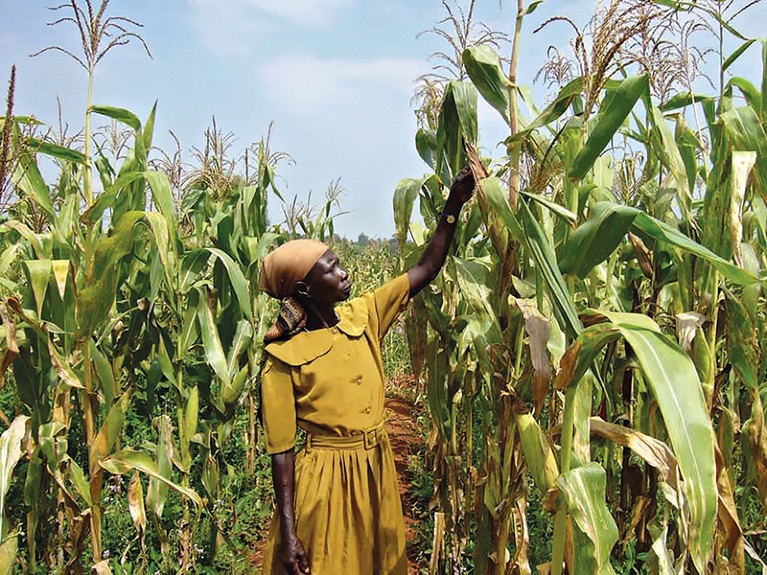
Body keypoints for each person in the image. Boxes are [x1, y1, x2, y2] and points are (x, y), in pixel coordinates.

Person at [258, 167, 475, 575]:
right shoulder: (282, 358)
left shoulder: (364, 315)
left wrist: (452, 207)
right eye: (331, 269)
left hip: (376, 468)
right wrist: (288, 532)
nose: (344, 273)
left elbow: (426, 267)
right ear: (305, 289)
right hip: (325, 482)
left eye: (340, 263)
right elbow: (281, 451)